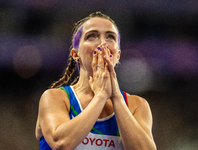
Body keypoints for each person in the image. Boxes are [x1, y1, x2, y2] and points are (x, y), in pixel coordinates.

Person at [35, 11, 157, 150]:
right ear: (76, 54)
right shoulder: (55, 98)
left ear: (117, 55)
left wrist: (116, 97)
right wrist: (101, 96)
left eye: (110, 37)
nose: (102, 43)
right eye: (92, 36)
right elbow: (61, 144)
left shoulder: (136, 105)